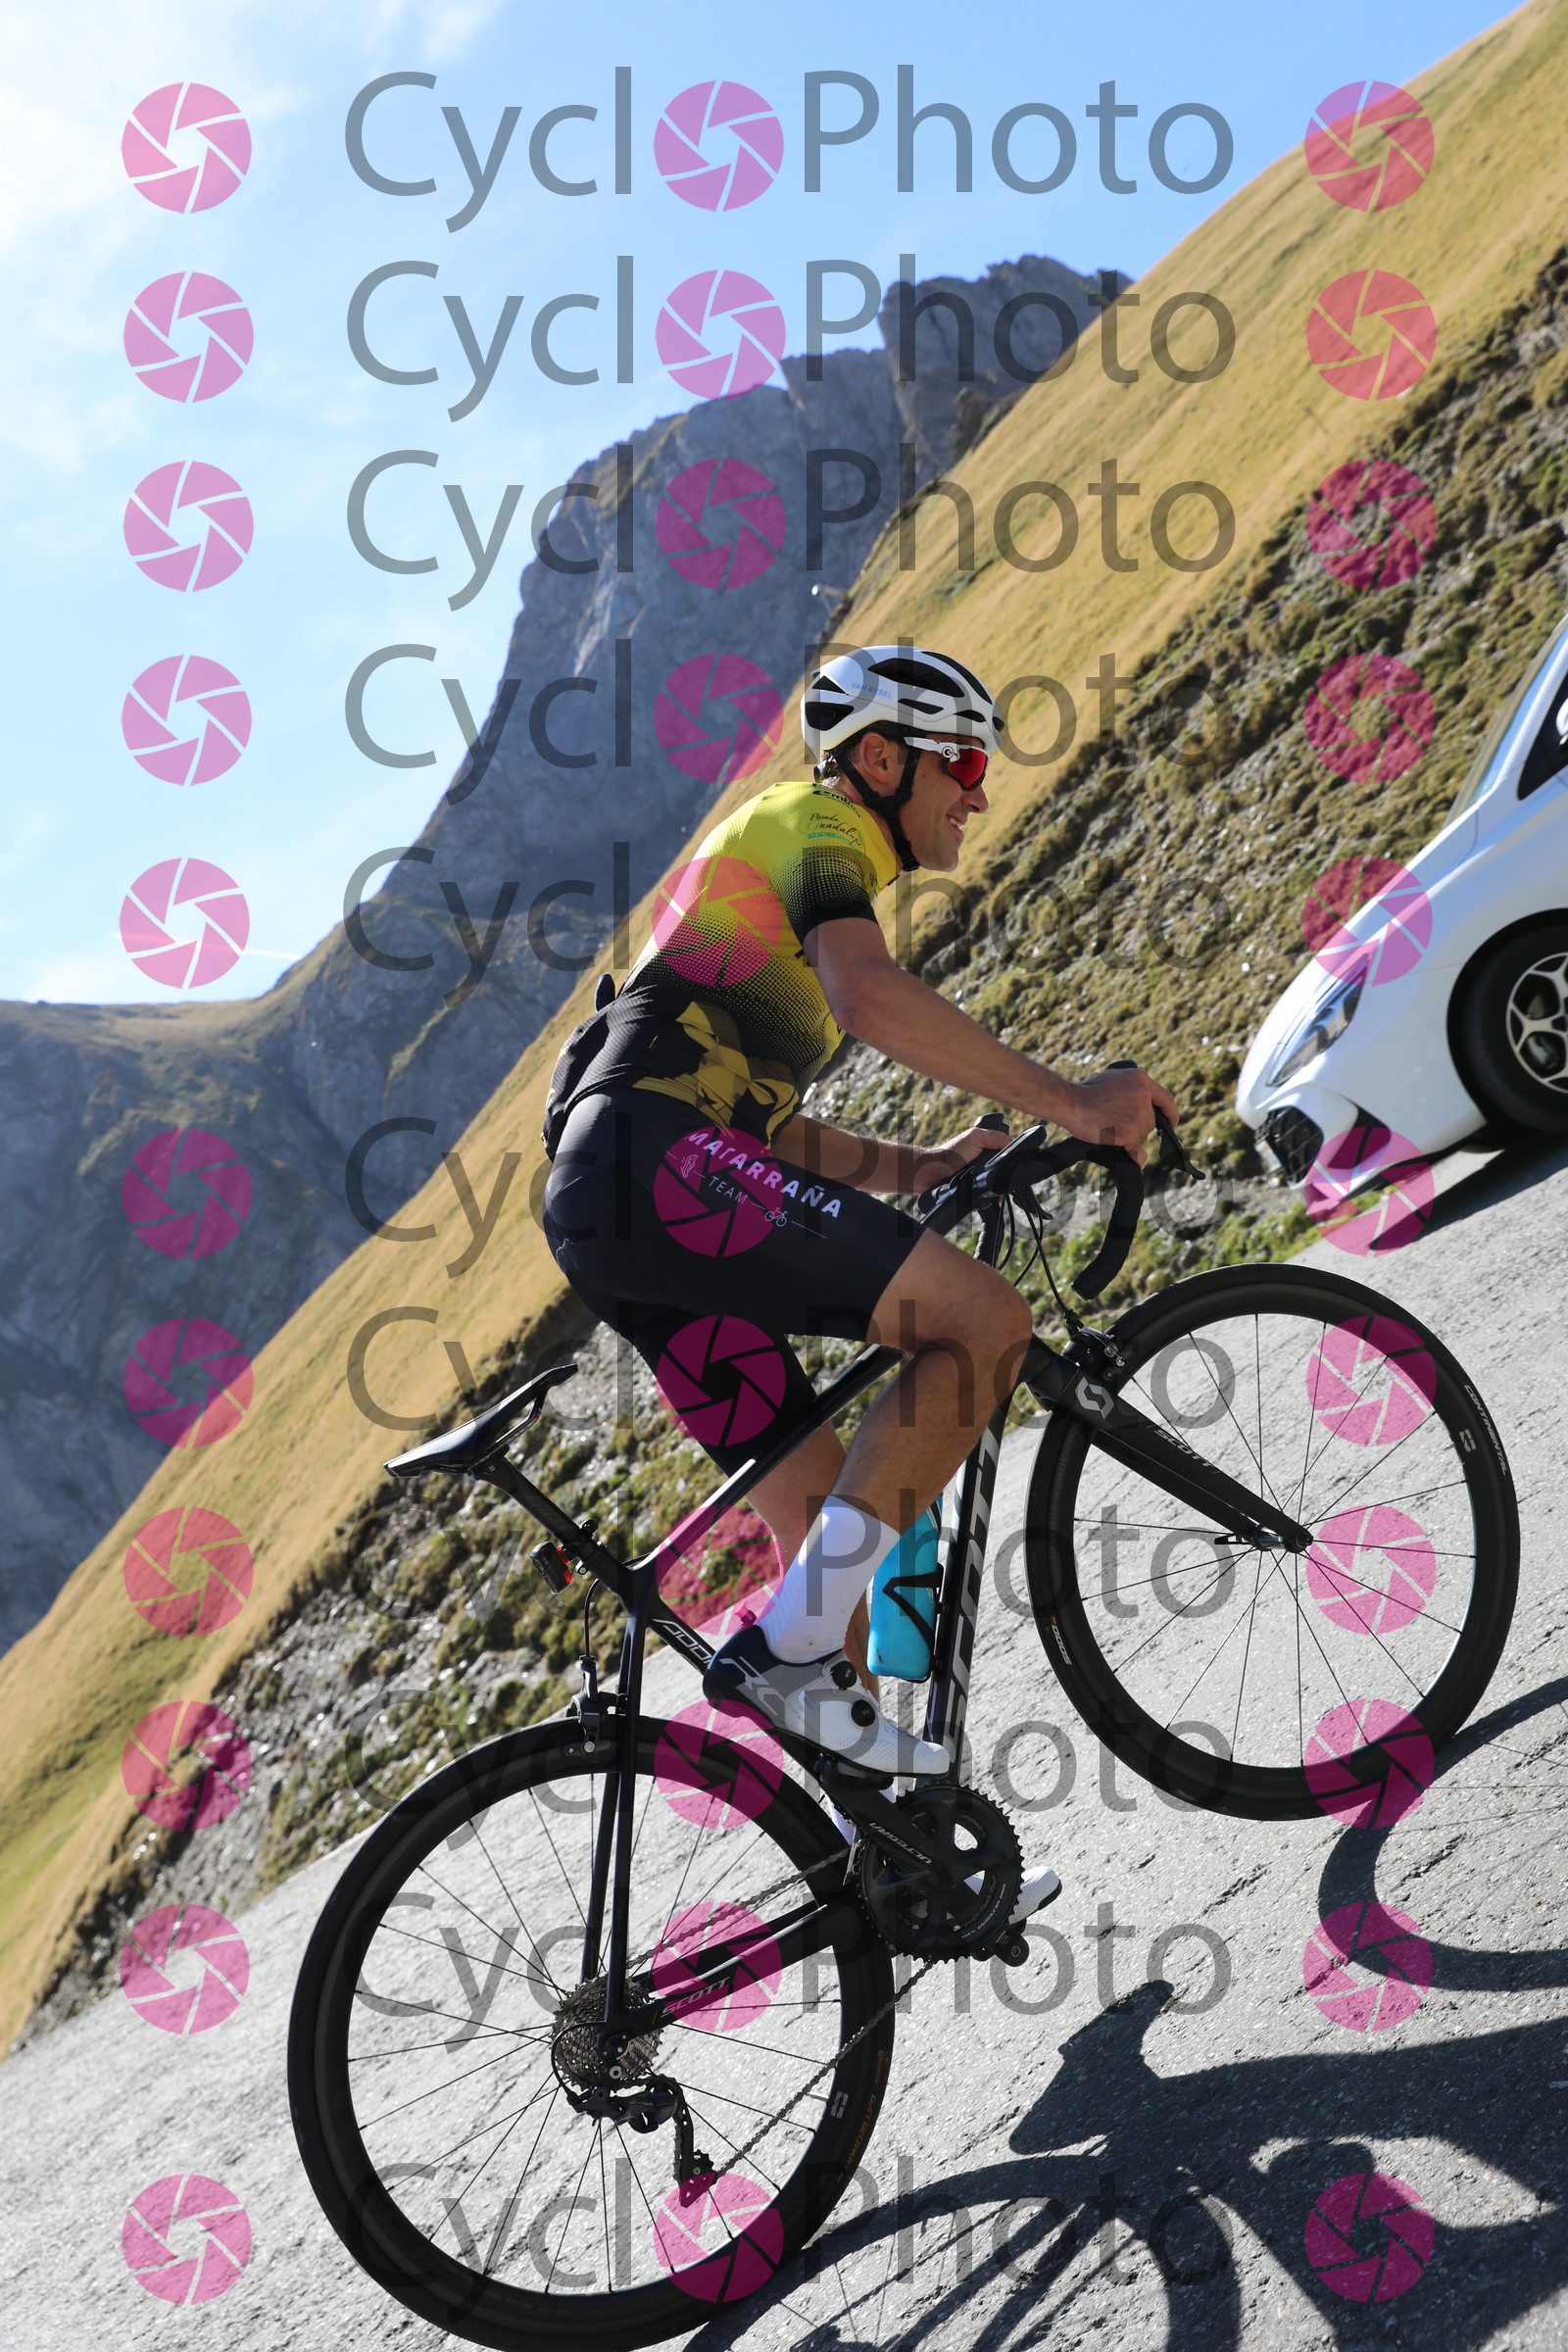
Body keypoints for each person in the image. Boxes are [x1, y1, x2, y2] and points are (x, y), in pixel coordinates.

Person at [542, 646, 1177, 1850]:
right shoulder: (815, 825)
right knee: (982, 1324)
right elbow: (869, 1001)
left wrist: (920, 1167)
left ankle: (889, 1862)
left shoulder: (766, 898)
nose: (977, 793)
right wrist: (1072, 1104)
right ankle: (790, 1665)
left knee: (821, 1524)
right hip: (654, 1166)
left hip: (616, 1199)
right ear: (880, 759)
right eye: (964, 762)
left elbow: (764, 1128)